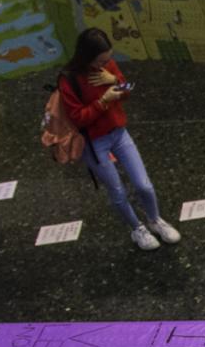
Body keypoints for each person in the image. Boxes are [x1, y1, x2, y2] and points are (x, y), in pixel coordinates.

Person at [56, 29, 182, 252]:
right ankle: (137, 229)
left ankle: (155, 220)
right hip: (94, 143)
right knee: (118, 191)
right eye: (100, 61)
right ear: (87, 57)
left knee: (143, 184)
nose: (105, 63)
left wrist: (115, 79)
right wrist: (103, 101)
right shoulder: (69, 80)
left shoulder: (109, 67)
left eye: (107, 59)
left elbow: (127, 90)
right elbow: (78, 118)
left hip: (119, 133)